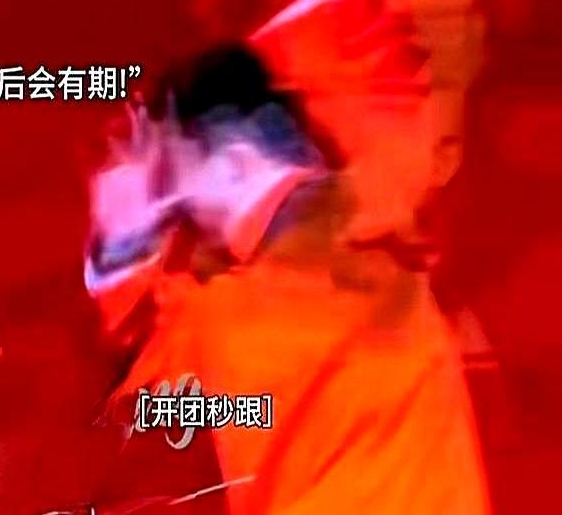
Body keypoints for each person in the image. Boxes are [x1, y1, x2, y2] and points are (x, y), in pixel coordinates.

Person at [84, 42, 489, 514]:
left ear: (234, 166)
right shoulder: (376, 227)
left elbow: (143, 387)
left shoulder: (254, 297)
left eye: (176, 173)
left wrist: (125, 228)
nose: (173, 201)